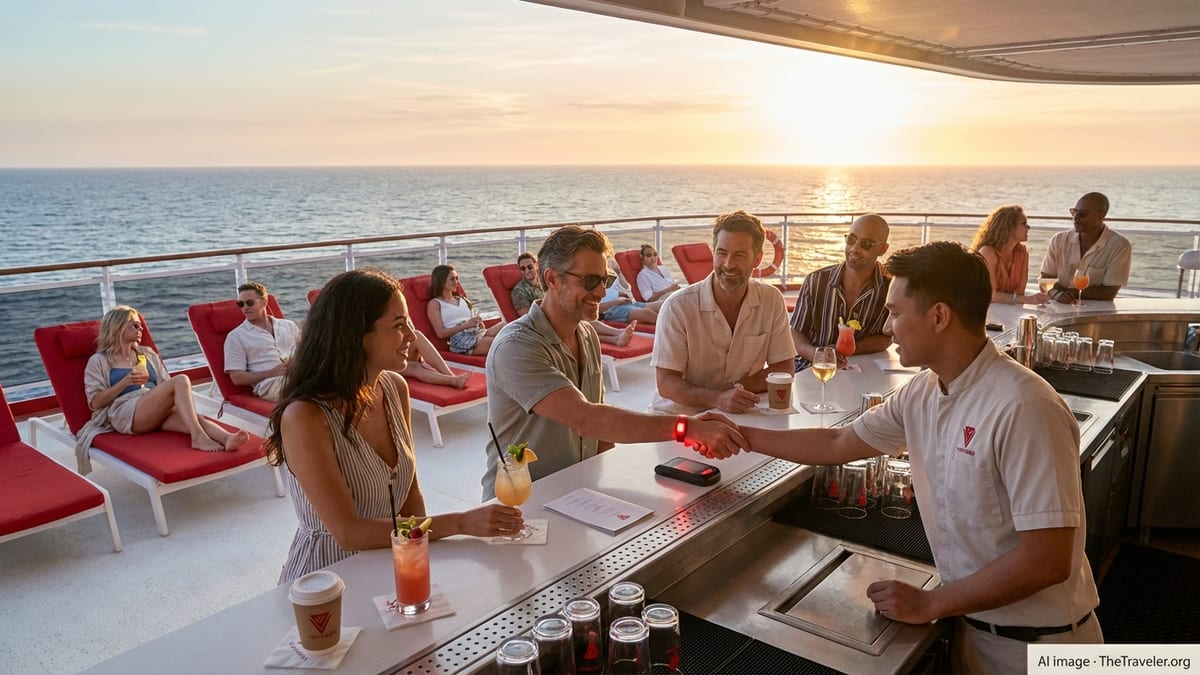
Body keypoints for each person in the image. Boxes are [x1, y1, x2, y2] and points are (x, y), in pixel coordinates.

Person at [728, 241, 1102, 674]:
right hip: (969, 630)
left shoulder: (1024, 407)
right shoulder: (924, 392)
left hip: (1039, 649)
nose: (888, 327)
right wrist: (738, 435)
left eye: (895, 313)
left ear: (939, 317)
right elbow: (837, 445)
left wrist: (932, 602)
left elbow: (1047, 559)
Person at [267, 269, 521, 584]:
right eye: (399, 326)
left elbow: (409, 493)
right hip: (328, 579)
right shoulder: (305, 416)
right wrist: (459, 523)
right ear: (355, 335)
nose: (413, 338)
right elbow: (349, 532)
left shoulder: (393, 388)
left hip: (394, 561)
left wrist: (422, 556)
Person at [482, 225, 746, 499]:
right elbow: (586, 418)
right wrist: (687, 428)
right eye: (589, 282)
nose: (599, 291)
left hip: (576, 493)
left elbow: (598, 429)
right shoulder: (516, 347)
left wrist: (615, 486)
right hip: (522, 504)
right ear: (552, 279)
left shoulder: (586, 335)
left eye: (605, 280)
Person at [652, 210, 796, 413]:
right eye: (722, 253)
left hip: (739, 412)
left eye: (739, 255)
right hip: (681, 416)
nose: (728, 264)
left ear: (757, 259)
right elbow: (666, 382)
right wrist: (717, 398)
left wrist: (734, 392)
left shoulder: (771, 300)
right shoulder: (678, 307)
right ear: (713, 252)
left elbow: (784, 368)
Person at [79, 306, 250, 472]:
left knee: (194, 418)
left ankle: (227, 438)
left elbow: (166, 386)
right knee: (181, 380)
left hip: (153, 410)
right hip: (126, 412)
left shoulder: (147, 354)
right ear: (118, 327)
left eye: (140, 325)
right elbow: (95, 403)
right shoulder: (99, 361)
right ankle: (198, 437)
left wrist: (170, 402)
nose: (141, 329)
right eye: (135, 325)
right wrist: (125, 382)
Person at [790, 214, 892, 371]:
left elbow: (887, 338)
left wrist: (850, 349)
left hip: (866, 372)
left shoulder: (889, 287)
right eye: (851, 239)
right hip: (812, 368)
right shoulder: (816, 281)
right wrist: (817, 355)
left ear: (883, 249)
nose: (855, 249)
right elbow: (796, 332)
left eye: (866, 244)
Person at [511, 252, 637, 346]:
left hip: (558, 314)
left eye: (529, 267)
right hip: (542, 324)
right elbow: (527, 316)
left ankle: (617, 335)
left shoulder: (546, 282)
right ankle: (616, 334)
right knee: (578, 323)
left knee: (580, 320)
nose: (527, 271)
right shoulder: (519, 291)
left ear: (536, 266)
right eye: (523, 268)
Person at [1039, 192, 1132, 303]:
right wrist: (1057, 295)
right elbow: (1045, 280)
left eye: (1082, 214)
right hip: (1057, 305)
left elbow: (1109, 292)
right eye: (1073, 212)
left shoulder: (1119, 245)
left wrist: (1068, 293)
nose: (1075, 218)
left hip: (1095, 310)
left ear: (1100, 216)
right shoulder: (1058, 240)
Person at [224, 281, 300, 402]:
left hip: (298, 374)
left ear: (264, 302)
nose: (245, 308)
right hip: (271, 385)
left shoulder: (288, 325)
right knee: (315, 385)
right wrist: (271, 373)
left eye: (250, 302)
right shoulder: (236, 337)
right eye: (241, 304)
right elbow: (237, 378)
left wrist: (296, 362)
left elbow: (306, 351)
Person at [970, 206, 1051, 305]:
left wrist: (1024, 299)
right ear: (1009, 227)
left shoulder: (1022, 253)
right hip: (984, 309)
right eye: (1024, 224)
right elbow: (990, 295)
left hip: (1010, 310)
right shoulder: (987, 252)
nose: (1028, 228)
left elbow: (1020, 292)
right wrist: (1028, 300)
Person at [427, 264, 504, 355]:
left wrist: (477, 322)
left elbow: (471, 320)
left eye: (457, 278)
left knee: (511, 323)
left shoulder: (461, 299)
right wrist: (466, 325)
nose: (456, 282)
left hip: (476, 332)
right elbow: (440, 333)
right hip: (461, 340)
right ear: (441, 281)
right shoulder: (435, 303)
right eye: (452, 279)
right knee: (504, 342)